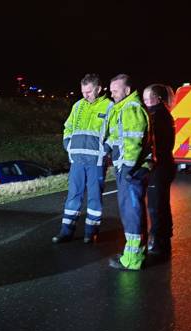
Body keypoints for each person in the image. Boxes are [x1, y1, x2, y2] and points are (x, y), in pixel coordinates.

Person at [53, 74, 114, 244]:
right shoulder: (78, 106)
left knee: (94, 197)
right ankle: (66, 232)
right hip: (77, 160)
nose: (85, 95)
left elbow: (115, 133)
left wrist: (105, 150)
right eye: (83, 91)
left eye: (88, 91)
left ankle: (91, 232)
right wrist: (67, 144)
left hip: (96, 161)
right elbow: (68, 127)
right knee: (73, 196)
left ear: (99, 89)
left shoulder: (110, 107)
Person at [106, 74, 150, 271]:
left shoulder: (131, 109)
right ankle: (136, 253)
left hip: (130, 171)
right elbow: (117, 136)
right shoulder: (123, 108)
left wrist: (126, 169)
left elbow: (133, 142)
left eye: (115, 90)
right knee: (133, 211)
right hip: (128, 169)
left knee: (131, 212)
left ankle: (132, 260)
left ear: (127, 90)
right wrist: (106, 148)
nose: (112, 93)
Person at [142, 84, 177, 258]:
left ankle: (158, 244)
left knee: (156, 207)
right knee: (162, 204)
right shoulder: (163, 114)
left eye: (148, 99)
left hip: (160, 167)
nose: (146, 103)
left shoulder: (157, 116)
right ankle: (164, 240)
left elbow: (153, 144)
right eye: (144, 99)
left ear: (158, 99)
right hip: (165, 165)